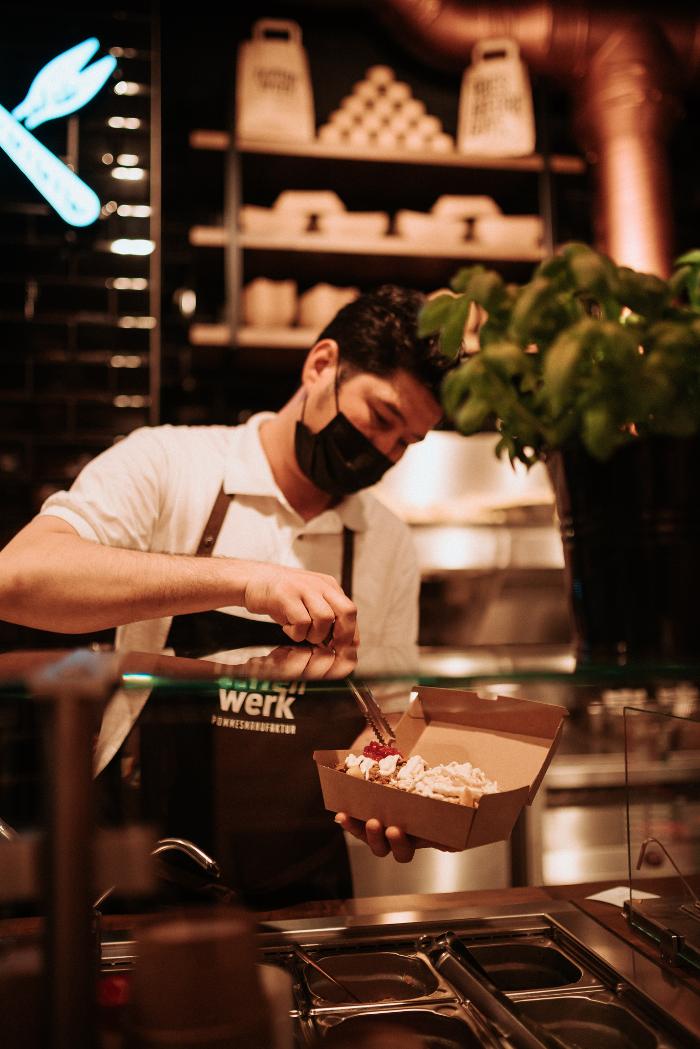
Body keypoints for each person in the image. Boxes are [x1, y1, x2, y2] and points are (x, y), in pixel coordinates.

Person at [0, 284, 449, 907]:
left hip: (303, 892)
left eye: (406, 443)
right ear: (322, 366)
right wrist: (245, 579)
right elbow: (18, 579)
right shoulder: (170, 463)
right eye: (380, 418)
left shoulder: (387, 541)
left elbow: (390, 714)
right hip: (139, 871)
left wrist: (389, 792)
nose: (383, 452)